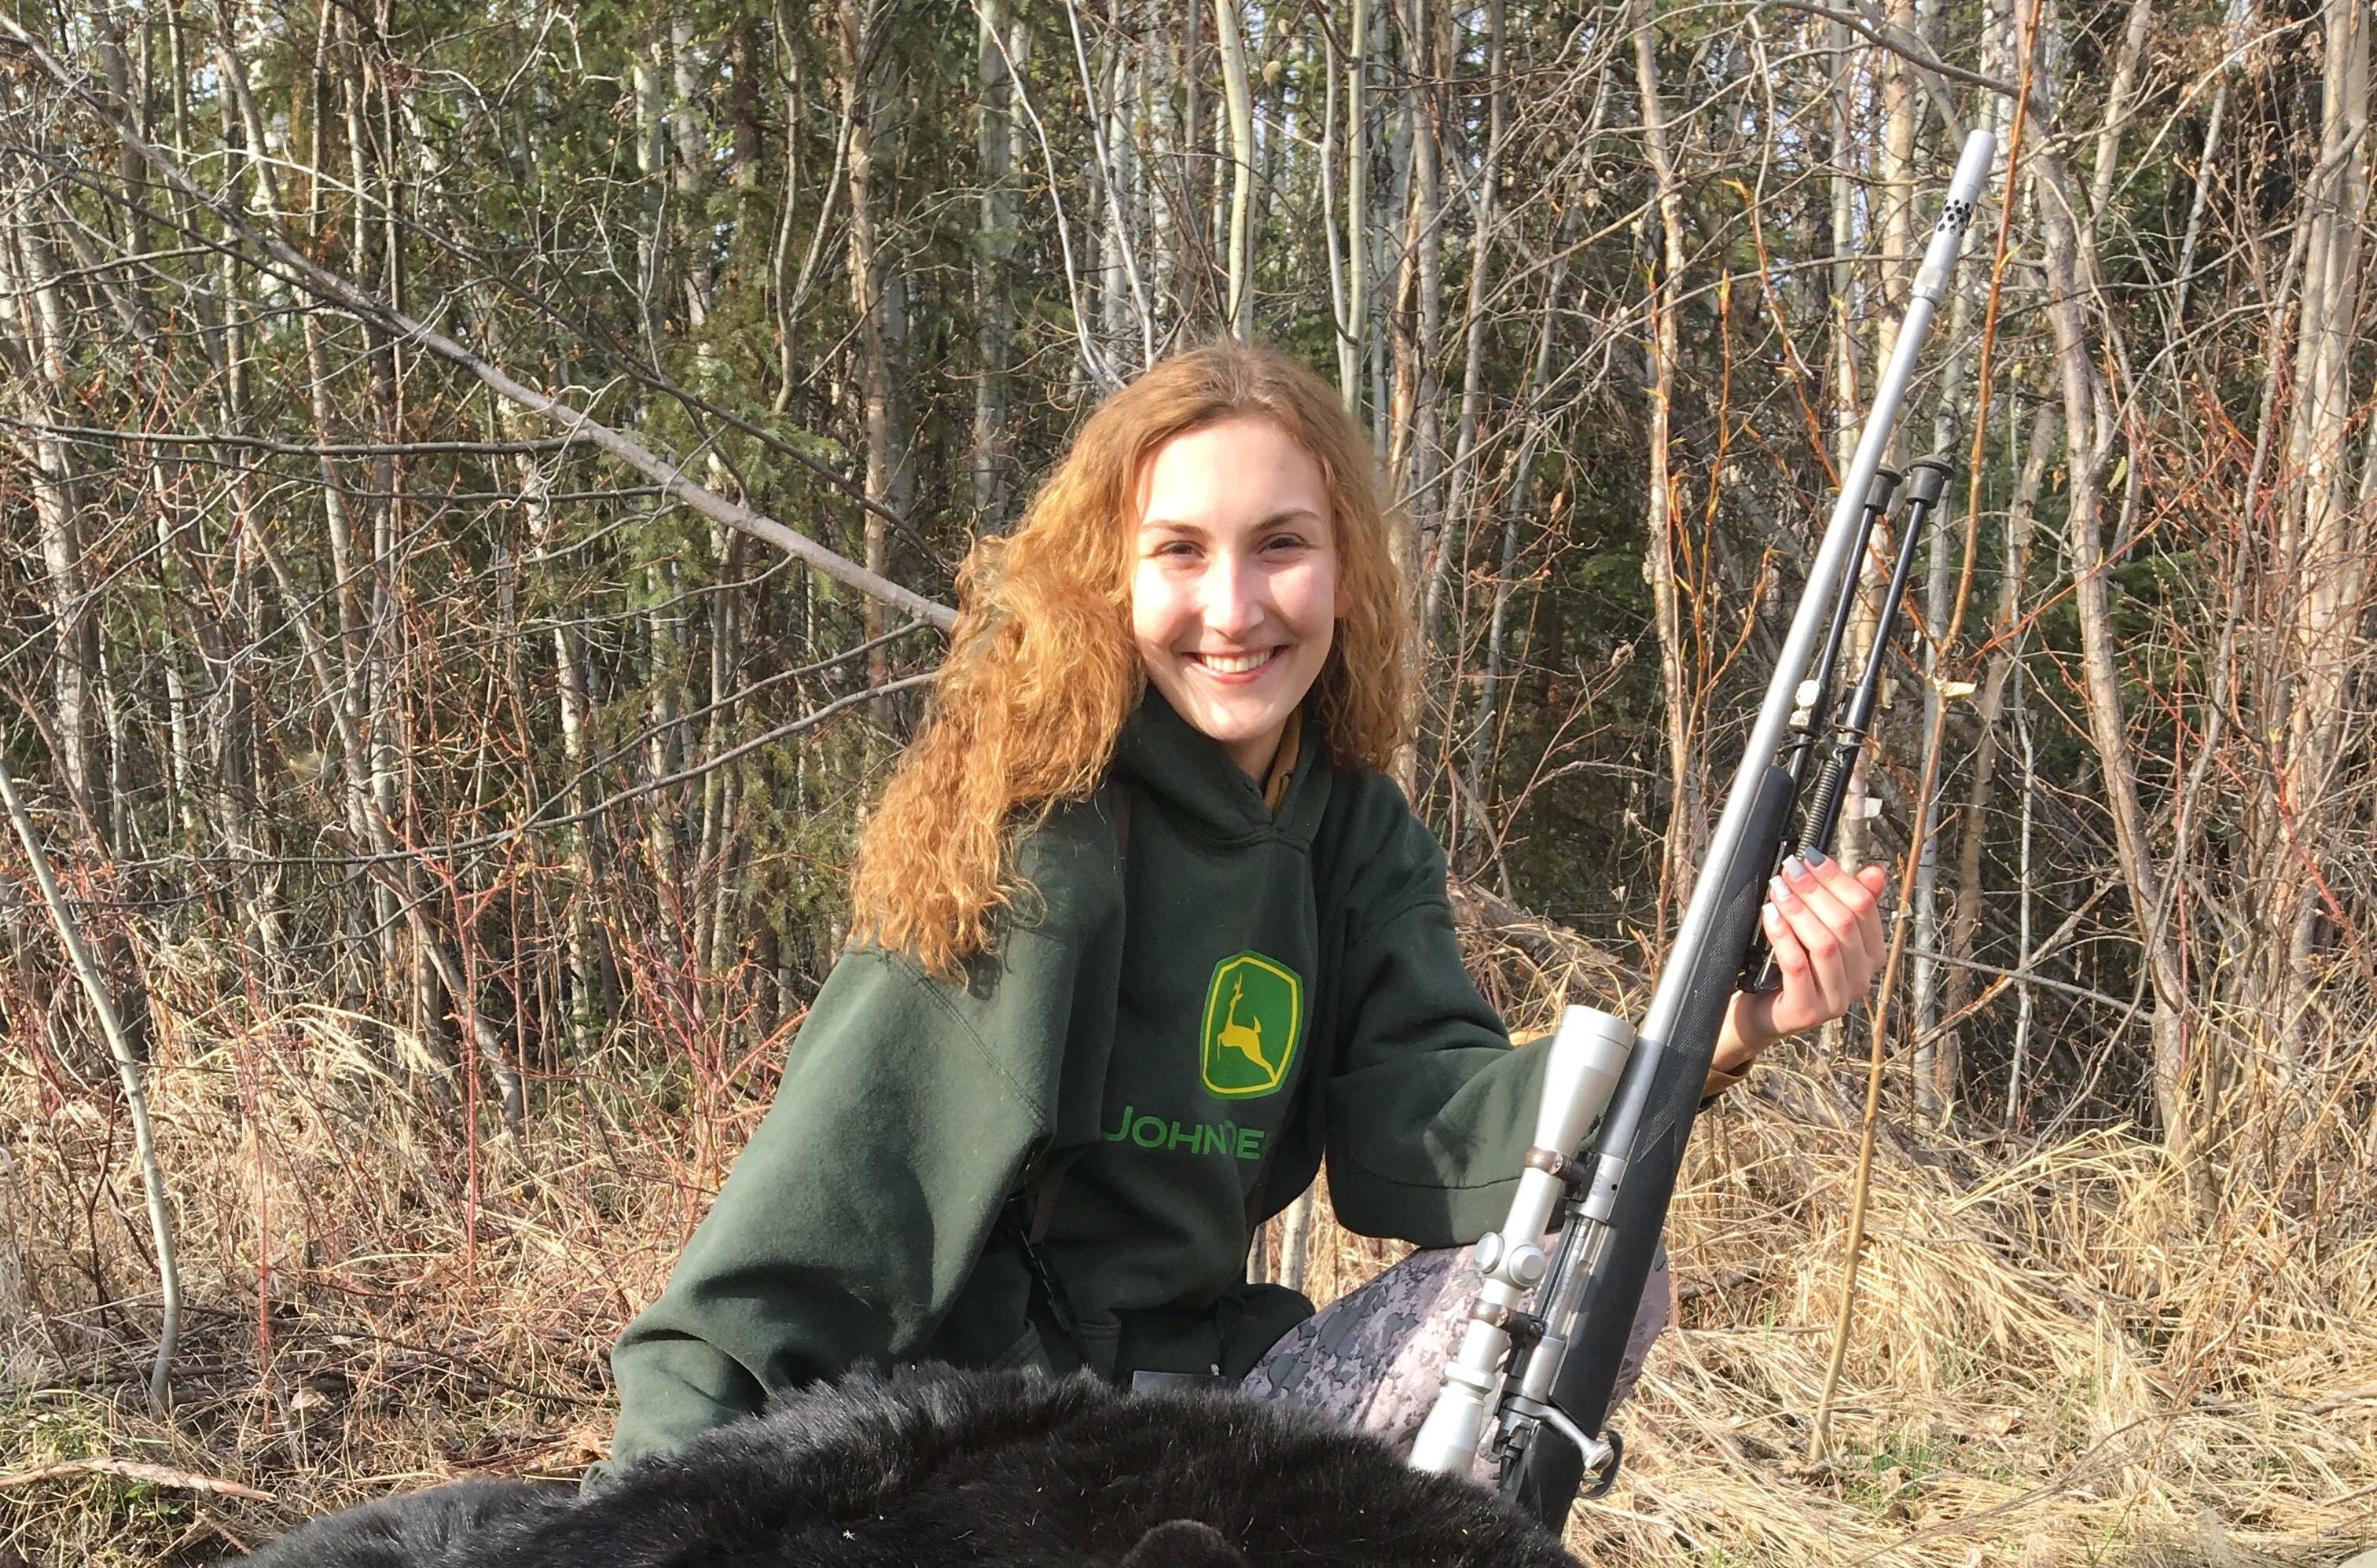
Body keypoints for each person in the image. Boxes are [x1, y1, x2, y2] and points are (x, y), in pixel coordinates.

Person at [604, 342, 1887, 1471]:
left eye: (1282, 544)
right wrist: (633, 1567)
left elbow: (1419, 1137)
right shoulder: (1044, 840)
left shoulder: (1353, 830)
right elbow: (809, 1241)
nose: (1235, 609)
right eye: (1179, 553)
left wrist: (1723, 1025)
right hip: (998, 1448)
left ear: (1344, 568)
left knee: (1591, 1273)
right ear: (1109, 579)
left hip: (1217, 1414)